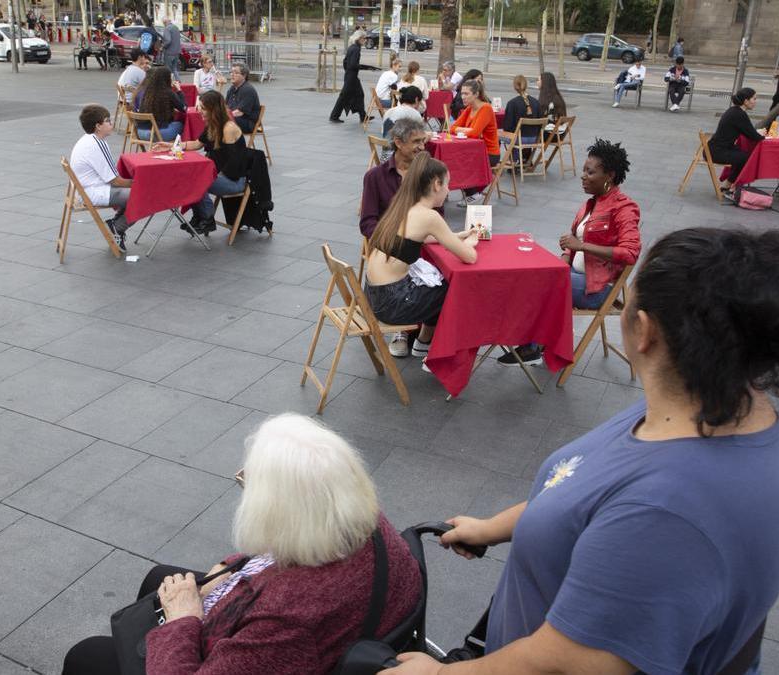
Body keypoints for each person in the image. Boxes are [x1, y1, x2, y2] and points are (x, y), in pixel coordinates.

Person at [387, 227, 779, 675]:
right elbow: (585, 486)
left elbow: (565, 665)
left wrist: (440, 673)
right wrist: (492, 528)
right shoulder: (711, 402)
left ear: (644, 330)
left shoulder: (666, 513)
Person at [62, 413, 423, 675]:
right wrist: (229, 569)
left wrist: (182, 622)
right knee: (159, 578)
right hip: (342, 622)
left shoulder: (287, 621)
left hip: (301, 641)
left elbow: (286, 614)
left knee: (88, 656)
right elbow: (284, 550)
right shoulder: (357, 512)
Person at [498, 139, 641, 366]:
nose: (583, 176)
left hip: (597, 286)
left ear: (610, 176)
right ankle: (533, 342)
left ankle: (532, 346)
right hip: (575, 275)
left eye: (590, 172)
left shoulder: (624, 208)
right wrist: (565, 257)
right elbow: (572, 245)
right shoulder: (591, 203)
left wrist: (580, 246)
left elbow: (630, 253)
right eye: (584, 170)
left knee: (539, 283)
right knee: (531, 272)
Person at [365, 154, 481, 364]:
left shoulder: (402, 205)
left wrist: (457, 236)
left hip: (373, 295)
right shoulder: (430, 216)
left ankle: (424, 342)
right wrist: (471, 241)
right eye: (448, 184)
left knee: (437, 282)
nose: (448, 190)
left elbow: (421, 237)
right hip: (392, 304)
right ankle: (439, 354)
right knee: (455, 289)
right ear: (436, 184)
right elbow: (469, 257)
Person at [360, 118, 435, 356]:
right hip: (390, 249)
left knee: (446, 274)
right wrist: (392, 242)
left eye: (423, 141)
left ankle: (429, 334)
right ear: (398, 142)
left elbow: (438, 213)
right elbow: (367, 222)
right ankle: (401, 329)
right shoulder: (375, 177)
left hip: (423, 243)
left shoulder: (426, 174)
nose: (422, 147)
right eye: (416, 142)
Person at [154, 90, 247, 234]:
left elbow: (233, 165)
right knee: (188, 176)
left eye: (203, 108)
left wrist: (207, 173)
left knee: (195, 179)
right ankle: (199, 216)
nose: (199, 111)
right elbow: (197, 144)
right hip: (220, 174)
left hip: (234, 180)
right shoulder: (213, 124)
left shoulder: (228, 128)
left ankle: (207, 218)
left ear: (213, 109)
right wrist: (171, 145)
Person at [70, 105, 133, 252]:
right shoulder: (96, 143)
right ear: (98, 126)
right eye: (108, 121)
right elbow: (115, 180)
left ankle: (116, 225)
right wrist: (139, 182)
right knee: (145, 195)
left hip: (88, 189)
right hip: (94, 192)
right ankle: (117, 227)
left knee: (138, 191)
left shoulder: (89, 140)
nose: (111, 123)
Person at [451, 79, 499, 207]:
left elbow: (475, 133)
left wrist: (462, 130)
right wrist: (465, 129)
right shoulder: (469, 109)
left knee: (459, 161)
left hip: (489, 153)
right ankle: (472, 194)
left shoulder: (486, 108)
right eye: (462, 93)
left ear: (476, 94)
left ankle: (473, 194)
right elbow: (452, 128)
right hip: (473, 150)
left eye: (466, 94)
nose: (463, 97)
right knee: (453, 159)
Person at [709, 88, 766, 195]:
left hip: (714, 148)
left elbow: (747, 131)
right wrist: (762, 135)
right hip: (717, 152)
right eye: (754, 99)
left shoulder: (734, 110)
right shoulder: (740, 114)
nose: (755, 101)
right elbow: (754, 137)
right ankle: (732, 186)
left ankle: (729, 185)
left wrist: (757, 132)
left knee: (743, 154)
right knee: (748, 158)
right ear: (746, 101)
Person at [132, 65, 186, 141]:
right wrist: (179, 91)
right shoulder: (168, 92)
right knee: (181, 125)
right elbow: (183, 108)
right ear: (167, 79)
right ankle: (175, 149)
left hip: (140, 132)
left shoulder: (147, 92)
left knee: (172, 124)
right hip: (155, 134)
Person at [330, 30, 369, 124]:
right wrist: (362, 67)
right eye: (364, 38)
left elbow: (345, 62)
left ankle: (363, 116)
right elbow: (352, 64)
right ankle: (334, 116)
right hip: (351, 78)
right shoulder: (356, 49)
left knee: (359, 95)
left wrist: (348, 71)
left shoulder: (352, 47)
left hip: (351, 76)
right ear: (359, 39)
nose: (365, 40)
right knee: (343, 97)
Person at [501, 74, 542, 142]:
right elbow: (540, 122)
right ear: (526, 85)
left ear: (515, 86)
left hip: (519, 139)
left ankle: (514, 152)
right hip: (534, 138)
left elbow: (507, 127)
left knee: (495, 135)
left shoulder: (512, 103)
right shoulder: (536, 102)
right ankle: (523, 152)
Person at [225, 62, 261, 133]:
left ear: (244, 75)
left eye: (235, 73)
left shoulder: (248, 90)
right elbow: (225, 107)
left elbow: (240, 112)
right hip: (235, 118)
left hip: (247, 122)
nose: (232, 75)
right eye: (231, 72)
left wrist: (224, 117)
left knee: (221, 123)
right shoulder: (232, 88)